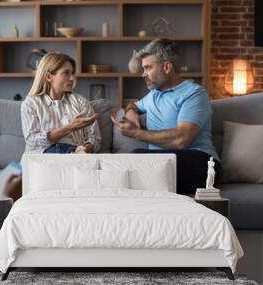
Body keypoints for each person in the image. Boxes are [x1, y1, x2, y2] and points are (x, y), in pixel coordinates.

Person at [111, 39, 219, 194]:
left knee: (134, 161)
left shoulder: (194, 94)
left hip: (202, 161)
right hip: (163, 161)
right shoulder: (154, 94)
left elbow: (182, 139)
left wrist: (136, 133)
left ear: (167, 67)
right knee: (130, 168)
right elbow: (133, 105)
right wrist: (131, 112)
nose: (143, 74)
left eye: (148, 68)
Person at [21, 52, 101, 154]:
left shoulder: (80, 102)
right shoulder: (30, 104)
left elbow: (95, 139)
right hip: (44, 160)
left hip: (77, 158)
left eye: (72, 73)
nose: (72, 78)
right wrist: (70, 127)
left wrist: (85, 149)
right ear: (49, 77)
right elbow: (32, 140)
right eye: (66, 73)